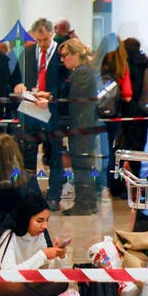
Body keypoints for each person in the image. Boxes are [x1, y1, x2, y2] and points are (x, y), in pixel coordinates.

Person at [13, 18, 67, 210]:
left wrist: (52, 97)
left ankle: (54, 196)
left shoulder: (61, 53)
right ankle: (30, 194)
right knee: (28, 154)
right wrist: (18, 85)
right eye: (39, 40)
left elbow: (66, 84)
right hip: (30, 110)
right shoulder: (27, 53)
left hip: (52, 112)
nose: (42, 44)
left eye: (45, 39)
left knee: (55, 155)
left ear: (52, 34)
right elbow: (16, 78)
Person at [57, 36, 103, 215]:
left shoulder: (82, 73)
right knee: (82, 165)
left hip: (82, 129)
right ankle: (87, 202)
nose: (62, 59)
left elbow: (77, 106)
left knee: (81, 166)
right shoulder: (82, 71)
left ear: (76, 54)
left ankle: (84, 203)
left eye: (65, 55)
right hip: (83, 128)